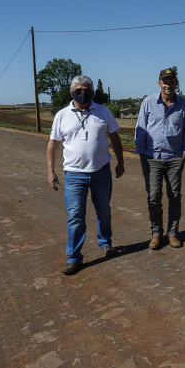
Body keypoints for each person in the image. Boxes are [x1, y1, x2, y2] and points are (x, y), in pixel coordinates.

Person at [47, 75, 126, 275]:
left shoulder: (103, 112)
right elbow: (53, 144)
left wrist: (120, 162)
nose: (83, 94)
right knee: (75, 217)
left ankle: (106, 243)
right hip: (74, 175)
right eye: (79, 90)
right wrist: (51, 171)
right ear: (71, 92)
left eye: (87, 90)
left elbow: (114, 137)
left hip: (101, 172)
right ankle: (74, 258)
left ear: (92, 92)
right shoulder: (62, 115)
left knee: (104, 211)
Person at [135, 67, 185, 250]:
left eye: (171, 81)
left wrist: (184, 153)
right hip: (152, 157)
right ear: (159, 83)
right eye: (164, 81)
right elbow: (140, 128)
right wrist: (142, 153)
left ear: (176, 83)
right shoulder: (148, 103)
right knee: (153, 197)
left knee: (174, 196)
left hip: (175, 157)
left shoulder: (184, 105)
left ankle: (173, 233)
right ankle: (156, 233)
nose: (168, 84)